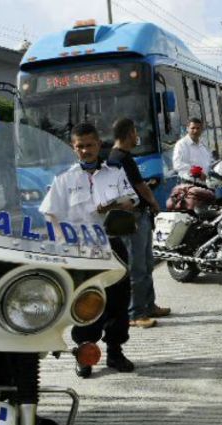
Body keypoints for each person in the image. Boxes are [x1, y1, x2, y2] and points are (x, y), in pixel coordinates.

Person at [39, 123, 139, 377]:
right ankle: (84, 356)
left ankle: (115, 352)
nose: (86, 150)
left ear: (99, 145)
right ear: (74, 148)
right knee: (85, 304)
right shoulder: (64, 179)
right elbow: (50, 214)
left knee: (118, 302)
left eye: (90, 145)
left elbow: (132, 199)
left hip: (111, 246)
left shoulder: (114, 173)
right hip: (81, 249)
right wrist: (63, 242)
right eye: (80, 146)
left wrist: (119, 204)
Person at [108, 118, 172, 329]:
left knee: (147, 264)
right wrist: (154, 202)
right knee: (136, 267)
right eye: (135, 132)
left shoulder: (122, 157)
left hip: (139, 215)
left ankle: (149, 305)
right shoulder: (119, 158)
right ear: (129, 134)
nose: (137, 137)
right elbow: (139, 186)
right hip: (132, 218)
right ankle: (135, 313)